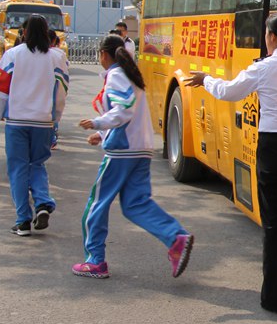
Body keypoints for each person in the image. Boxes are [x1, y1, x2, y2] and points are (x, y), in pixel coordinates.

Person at [185, 12, 277, 313]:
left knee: (274, 225)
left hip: (274, 149)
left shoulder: (263, 68)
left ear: (272, 37)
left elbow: (229, 92)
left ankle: (273, 299)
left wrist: (206, 80)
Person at [74, 34, 193, 279]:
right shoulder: (130, 75)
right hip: (140, 149)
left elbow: (123, 110)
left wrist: (98, 123)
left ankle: (95, 260)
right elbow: (127, 113)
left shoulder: (116, 75)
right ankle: (175, 237)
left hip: (122, 152)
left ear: (103, 55)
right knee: (135, 205)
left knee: (96, 204)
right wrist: (103, 131)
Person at [0, 14, 70, 236]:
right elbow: (61, 93)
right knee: (37, 164)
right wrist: (55, 120)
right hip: (43, 121)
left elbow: (0, 91)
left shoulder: (12, 55)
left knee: (18, 169)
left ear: (24, 33)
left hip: (16, 121)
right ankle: (43, 202)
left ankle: (23, 220)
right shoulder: (57, 57)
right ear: (47, 34)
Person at [48, 29, 67, 150]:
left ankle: (51, 137)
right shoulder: (58, 54)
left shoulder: (19, 52)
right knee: (53, 111)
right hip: (54, 87)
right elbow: (64, 76)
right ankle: (52, 137)